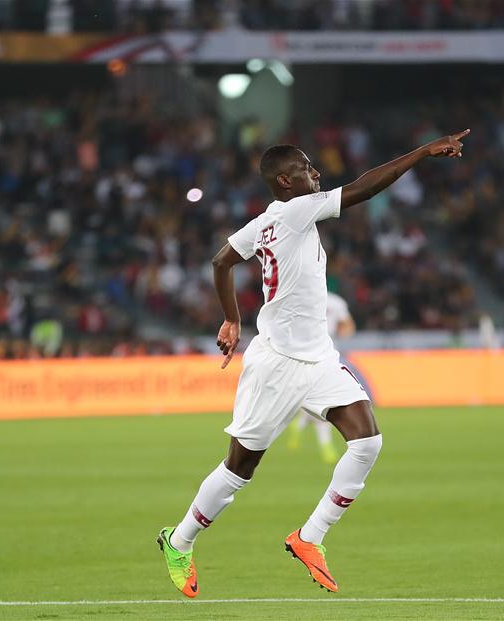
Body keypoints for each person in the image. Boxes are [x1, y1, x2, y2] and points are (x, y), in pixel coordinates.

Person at [157, 129, 471, 597]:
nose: (316, 173)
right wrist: (423, 152)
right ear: (286, 181)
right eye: (307, 168)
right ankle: (179, 541)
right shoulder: (296, 210)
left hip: (319, 358)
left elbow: (221, 261)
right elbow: (365, 186)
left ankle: (310, 536)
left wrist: (230, 319)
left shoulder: (267, 220)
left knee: (367, 442)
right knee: (239, 468)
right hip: (277, 363)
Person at [287, 291, 357, 464]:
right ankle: (326, 446)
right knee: (324, 401)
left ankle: (302, 423)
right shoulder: (335, 301)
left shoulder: (301, 296)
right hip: (319, 354)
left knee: (318, 400)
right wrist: (342, 333)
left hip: (310, 353)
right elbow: (348, 326)